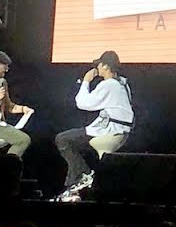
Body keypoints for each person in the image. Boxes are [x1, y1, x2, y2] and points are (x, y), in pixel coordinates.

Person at [54, 51, 134, 198]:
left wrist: (86, 81)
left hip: (110, 130)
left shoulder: (109, 85)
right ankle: (77, 181)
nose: (97, 68)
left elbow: (83, 103)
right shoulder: (122, 83)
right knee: (75, 142)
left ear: (105, 66)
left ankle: (83, 176)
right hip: (120, 129)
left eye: (99, 64)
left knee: (62, 139)